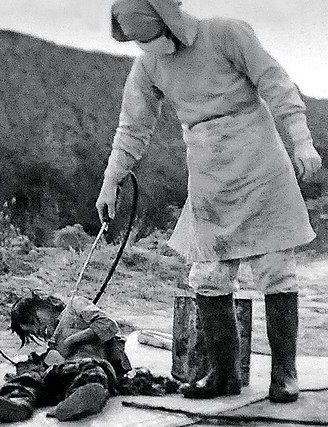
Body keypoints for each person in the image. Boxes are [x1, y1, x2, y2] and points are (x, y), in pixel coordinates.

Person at [99, 0, 322, 402]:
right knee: (208, 278)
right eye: (140, 42)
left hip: (259, 161)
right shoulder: (148, 65)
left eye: (152, 36)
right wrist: (110, 179)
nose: (149, 46)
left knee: (275, 270)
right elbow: (133, 127)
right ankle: (223, 373)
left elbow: (276, 82)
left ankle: (284, 373)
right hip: (207, 172)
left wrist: (302, 140)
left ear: (169, 21)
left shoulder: (226, 33)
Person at [0, 293, 136, 422]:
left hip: (90, 363)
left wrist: (71, 340)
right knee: (30, 379)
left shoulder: (75, 305)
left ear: (49, 305)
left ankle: (83, 399)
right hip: (63, 372)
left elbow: (108, 325)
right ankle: (17, 404)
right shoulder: (53, 341)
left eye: (35, 321)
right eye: (31, 331)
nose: (37, 330)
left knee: (91, 371)